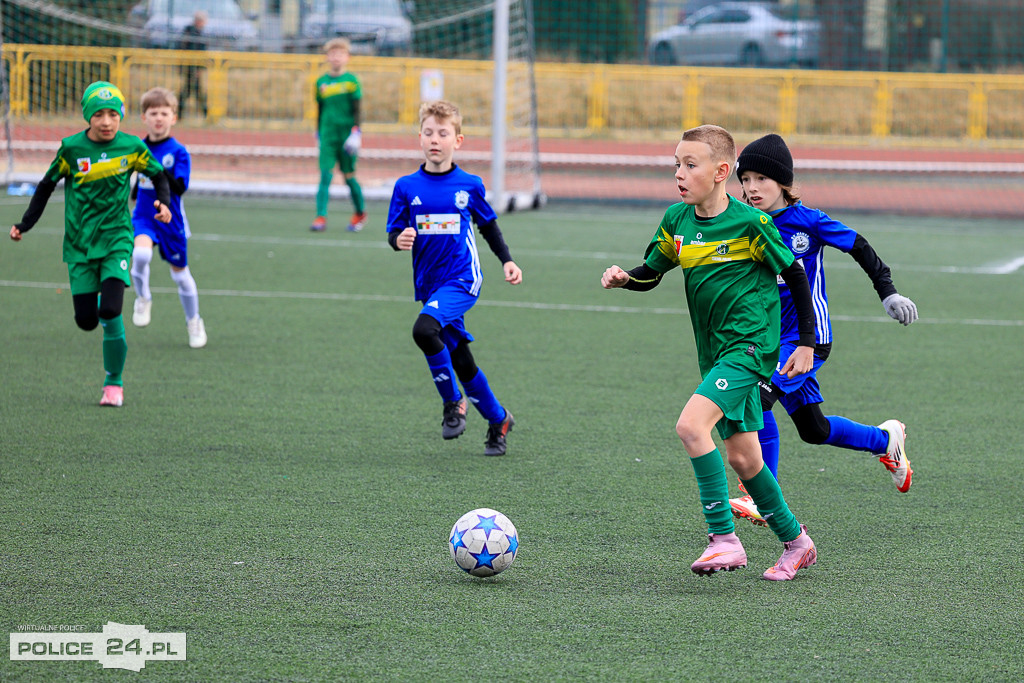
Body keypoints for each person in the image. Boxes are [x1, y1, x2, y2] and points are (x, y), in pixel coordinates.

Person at [601, 124, 819, 580]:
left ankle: (724, 539)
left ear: (721, 171)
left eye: (689, 164)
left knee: (690, 425)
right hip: (715, 354)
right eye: (676, 164)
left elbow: (796, 275)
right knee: (744, 459)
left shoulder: (751, 224)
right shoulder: (676, 221)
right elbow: (652, 272)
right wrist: (627, 279)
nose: (679, 173)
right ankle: (797, 543)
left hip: (751, 349)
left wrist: (805, 343)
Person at [728, 133, 916, 526]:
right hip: (766, 340)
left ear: (783, 182)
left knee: (757, 400)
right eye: (745, 179)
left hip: (808, 342)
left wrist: (888, 293)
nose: (751, 187)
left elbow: (860, 246)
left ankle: (761, 496)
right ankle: (886, 441)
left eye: (761, 178)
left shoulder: (809, 222)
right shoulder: (743, 222)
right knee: (814, 429)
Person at [9, 81, 171, 407]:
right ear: (88, 117)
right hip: (80, 244)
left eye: (114, 114)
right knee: (86, 321)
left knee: (110, 310)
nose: (107, 121)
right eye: (99, 114)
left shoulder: (132, 147)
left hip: (116, 240)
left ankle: (114, 383)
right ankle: (101, 320)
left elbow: (158, 175)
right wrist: (25, 223)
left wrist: (163, 203)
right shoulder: (71, 149)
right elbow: (45, 186)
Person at [386, 100, 521, 456]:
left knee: (423, 331)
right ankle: (498, 419)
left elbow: (488, 225)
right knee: (460, 357)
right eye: (429, 132)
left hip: (463, 278)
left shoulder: (469, 185)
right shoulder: (405, 186)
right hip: (429, 283)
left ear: (457, 141)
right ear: (420, 137)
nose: (435, 139)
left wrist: (507, 260)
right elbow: (394, 231)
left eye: (443, 133)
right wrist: (398, 240)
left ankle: (453, 403)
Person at [129, 87, 207, 349]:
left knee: (180, 275)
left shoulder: (179, 152)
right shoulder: (136, 149)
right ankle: (143, 298)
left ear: (174, 117)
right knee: (140, 256)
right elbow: (133, 184)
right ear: (144, 117)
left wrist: (155, 170)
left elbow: (180, 187)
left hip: (171, 220)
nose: (158, 118)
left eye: (164, 113)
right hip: (144, 215)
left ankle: (194, 320)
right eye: (153, 113)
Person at [311, 38, 366, 233]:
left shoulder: (351, 81)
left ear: (347, 58)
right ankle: (320, 216)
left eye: (340, 54)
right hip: (328, 135)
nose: (336, 57)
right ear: (327, 57)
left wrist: (356, 132)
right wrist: (317, 131)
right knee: (325, 175)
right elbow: (320, 108)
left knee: (349, 176)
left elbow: (357, 109)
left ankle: (360, 211)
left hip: (347, 136)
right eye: (333, 54)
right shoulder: (321, 82)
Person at [177, 10, 208, 119]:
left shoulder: (193, 32)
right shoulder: (192, 33)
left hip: (191, 66)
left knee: (190, 90)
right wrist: (198, 68)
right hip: (191, 67)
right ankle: (205, 114)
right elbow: (197, 52)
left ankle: (180, 113)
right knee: (191, 91)